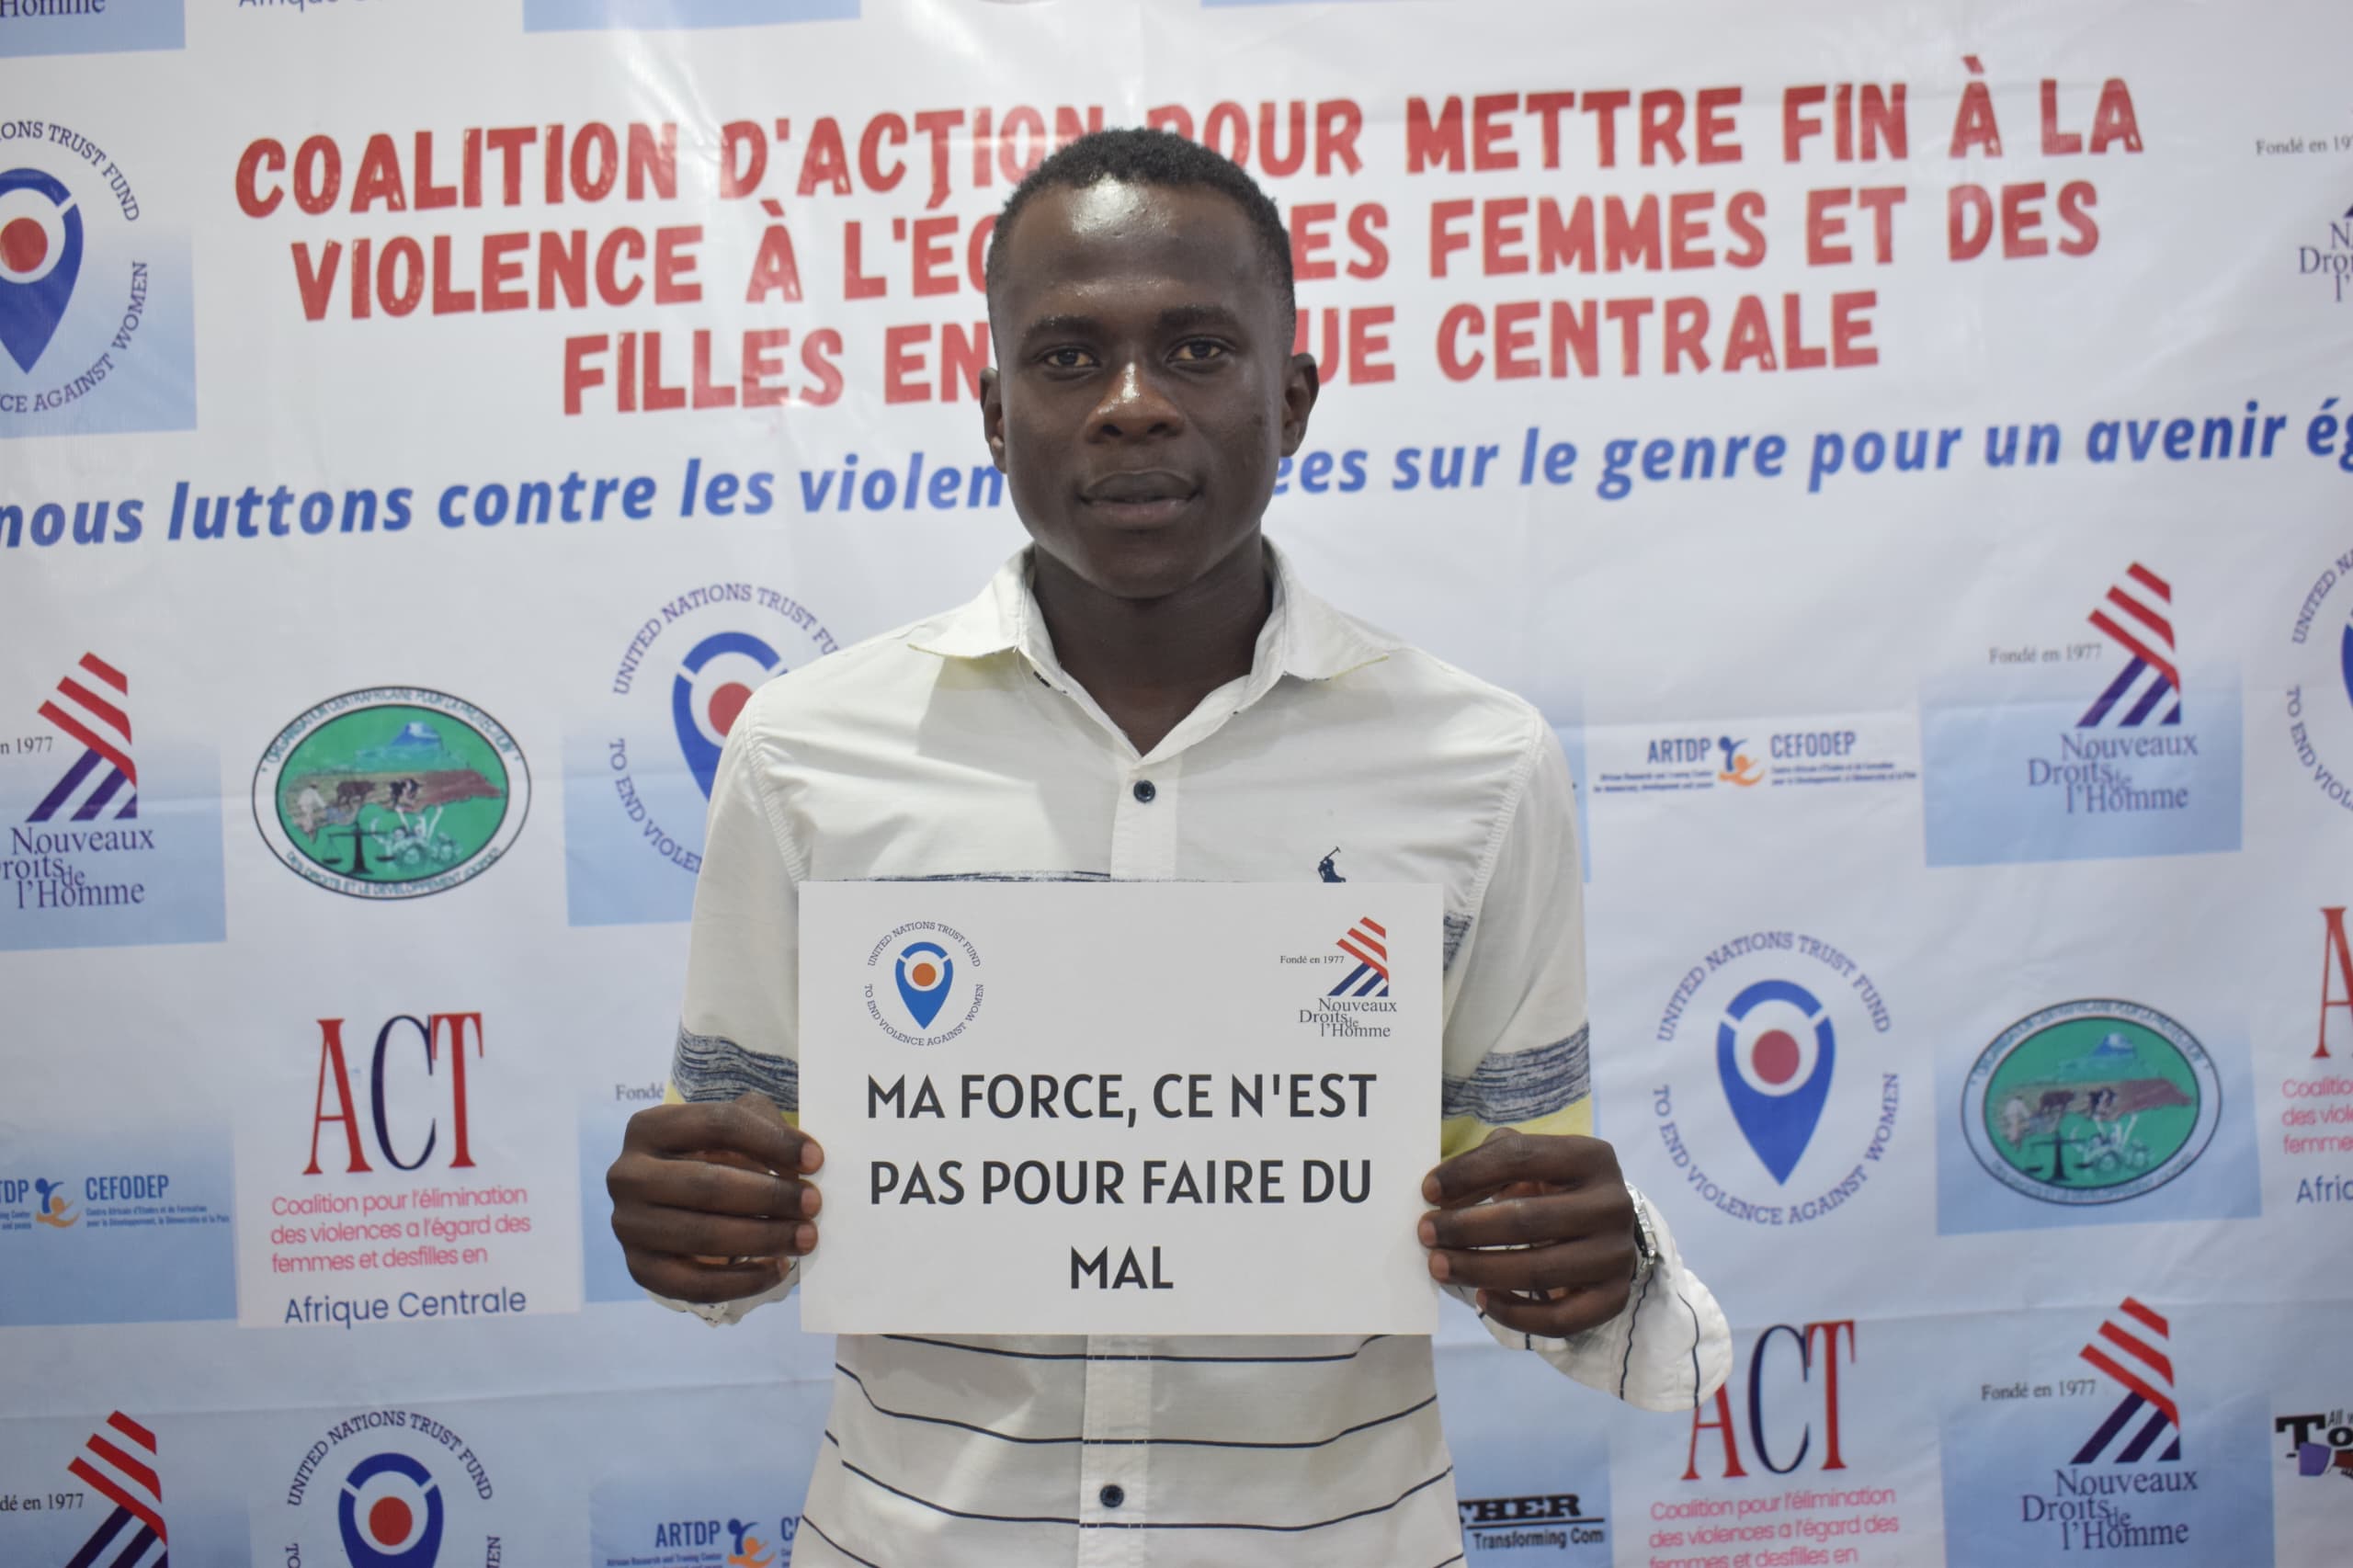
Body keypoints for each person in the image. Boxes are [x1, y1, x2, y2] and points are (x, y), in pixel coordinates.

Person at [608, 127, 1729, 1568]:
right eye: (1068, 358)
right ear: (994, 411)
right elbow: (731, 1215)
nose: (1132, 406)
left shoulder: (1479, 763)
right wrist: (697, 1229)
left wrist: (1589, 1265)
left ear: (1293, 399)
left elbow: (1519, 1202)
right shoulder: (804, 747)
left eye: (1197, 351)